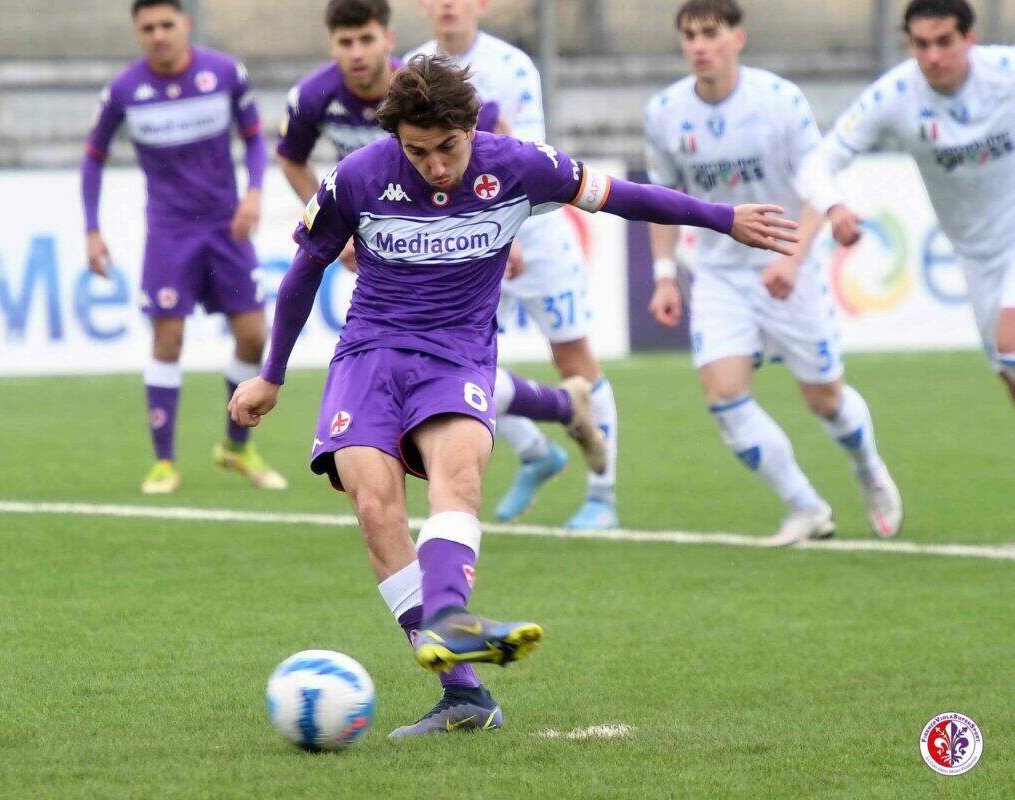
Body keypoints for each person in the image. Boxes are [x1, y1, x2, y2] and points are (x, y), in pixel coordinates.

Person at [231, 56, 798, 736]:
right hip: (370, 353)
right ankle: (466, 695)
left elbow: (623, 196)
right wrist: (272, 374)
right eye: (419, 152)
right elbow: (304, 270)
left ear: (473, 126)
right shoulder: (358, 177)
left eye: (449, 147)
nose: (437, 165)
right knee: (376, 506)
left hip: (460, 352)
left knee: (459, 473)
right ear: (396, 142)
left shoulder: (523, 166)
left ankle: (448, 616)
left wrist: (722, 217)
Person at [277, 0, 603, 468]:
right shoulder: (313, 97)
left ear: (388, 40)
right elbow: (290, 157)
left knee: (446, 356)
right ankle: (547, 431)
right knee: (430, 357)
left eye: (366, 39)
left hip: (458, 232)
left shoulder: (418, 90)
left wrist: (499, 223)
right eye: (345, 42)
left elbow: (497, 136)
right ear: (331, 45)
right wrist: (340, 231)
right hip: (391, 240)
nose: (357, 53)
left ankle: (559, 429)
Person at [644, 0, 904, 544]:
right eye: (689, 35)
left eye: (710, 33)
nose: (698, 45)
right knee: (723, 396)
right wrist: (665, 274)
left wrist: (794, 255)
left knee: (825, 400)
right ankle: (806, 506)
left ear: (738, 38)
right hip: (718, 273)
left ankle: (868, 466)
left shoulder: (780, 100)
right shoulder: (666, 111)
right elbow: (662, 200)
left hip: (790, 264)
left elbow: (816, 179)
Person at [407, 0, 621, 530]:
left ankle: (602, 495)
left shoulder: (514, 65)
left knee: (572, 356)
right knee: (453, 362)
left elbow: (526, 155)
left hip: (535, 232)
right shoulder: (411, 67)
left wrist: (510, 232)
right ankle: (536, 453)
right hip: (464, 238)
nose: (447, 6)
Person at [82, 0, 286, 494]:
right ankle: (165, 462)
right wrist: (92, 229)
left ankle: (235, 447)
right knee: (168, 340)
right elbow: (93, 158)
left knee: (255, 338)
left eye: (166, 25)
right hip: (170, 233)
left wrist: (254, 192)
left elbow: (256, 140)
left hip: (226, 227)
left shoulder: (223, 73)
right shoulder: (125, 90)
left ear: (185, 25)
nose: (158, 35)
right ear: (137, 32)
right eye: (147, 27)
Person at [800, 0, 1015, 409]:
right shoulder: (896, 94)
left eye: (944, 42)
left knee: (1012, 346)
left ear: (970, 38)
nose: (932, 57)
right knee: (1009, 374)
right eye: (921, 44)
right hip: (976, 256)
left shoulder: (1005, 71)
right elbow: (816, 165)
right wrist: (834, 207)